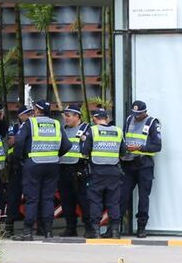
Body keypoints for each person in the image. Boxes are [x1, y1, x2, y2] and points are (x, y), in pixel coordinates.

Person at [14, 100, 72, 240]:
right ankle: (48, 231)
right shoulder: (56, 124)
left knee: (32, 199)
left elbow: (19, 142)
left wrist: (19, 159)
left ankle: (28, 232)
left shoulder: (30, 123)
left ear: (36, 110)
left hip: (33, 164)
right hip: (52, 165)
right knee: (48, 199)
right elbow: (67, 145)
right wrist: (54, 155)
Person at [82, 109, 127, 238]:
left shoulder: (93, 130)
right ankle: (115, 231)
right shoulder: (118, 131)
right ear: (106, 118)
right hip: (113, 172)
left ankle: (95, 231)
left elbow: (85, 152)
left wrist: (84, 140)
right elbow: (123, 153)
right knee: (113, 202)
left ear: (95, 119)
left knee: (95, 201)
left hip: (97, 172)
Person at [119, 100, 162, 237]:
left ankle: (141, 227)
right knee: (123, 195)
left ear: (145, 112)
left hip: (144, 165)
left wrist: (140, 148)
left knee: (143, 197)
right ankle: (115, 227)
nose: (136, 116)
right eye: (134, 113)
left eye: (139, 114)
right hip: (128, 163)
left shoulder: (152, 123)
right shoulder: (129, 119)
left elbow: (157, 146)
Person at [57, 104, 91, 237]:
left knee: (84, 200)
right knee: (66, 200)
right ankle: (70, 227)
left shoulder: (87, 129)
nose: (65, 118)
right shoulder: (63, 129)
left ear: (77, 116)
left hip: (79, 168)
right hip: (63, 168)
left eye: (68, 115)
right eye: (65, 115)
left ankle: (89, 227)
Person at [3, 106, 30, 237]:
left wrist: (19, 139)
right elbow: (11, 142)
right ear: (20, 116)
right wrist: (20, 139)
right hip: (14, 165)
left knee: (32, 196)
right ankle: (9, 226)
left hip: (28, 164)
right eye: (26, 114)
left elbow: (18, 141)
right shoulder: (13, 126)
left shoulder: (31, 126)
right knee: (13, 196)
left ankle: (32, 227)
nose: (29, 116)